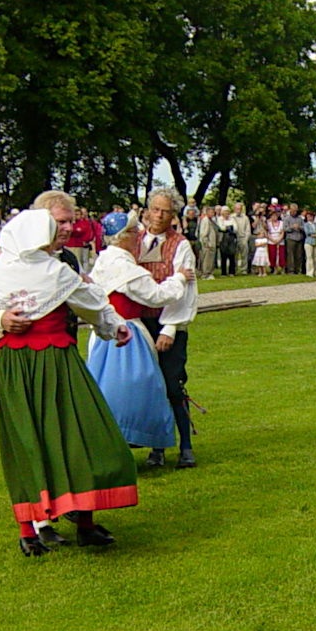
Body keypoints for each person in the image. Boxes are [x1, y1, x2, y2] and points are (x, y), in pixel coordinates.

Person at [0, 208, 136, 556]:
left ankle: (74, 521)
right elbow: (93, 304)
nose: (61, 233)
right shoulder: (44, 272)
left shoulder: (47, 271)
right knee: (61, 433)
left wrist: (112, 326)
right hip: (40, 361)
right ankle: (37, 527)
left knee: (53, 433)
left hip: (44, 361)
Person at [88, 212, 195, 449]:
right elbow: (156, 295)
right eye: (135, 232)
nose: (139, 236)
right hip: (127, 334)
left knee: (103, 387)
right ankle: (133, 439)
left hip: (100, 336)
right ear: (123, 237)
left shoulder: (103, 260)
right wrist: (178, 279)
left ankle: (108, 442)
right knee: (138, 390)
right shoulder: (124, 267)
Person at [135, 188, 199, 469]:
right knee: (149, 386)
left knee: (173, 384)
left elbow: (184, 289)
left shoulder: (180, 245)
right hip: (139, 323)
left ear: (173, 215)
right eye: (156, 210)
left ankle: (185, 445)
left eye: (166, 212)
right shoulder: (133, 242)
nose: (159, 216)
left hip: (167, 321)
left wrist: (169, 329)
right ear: (147, 211)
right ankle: (157, 446)